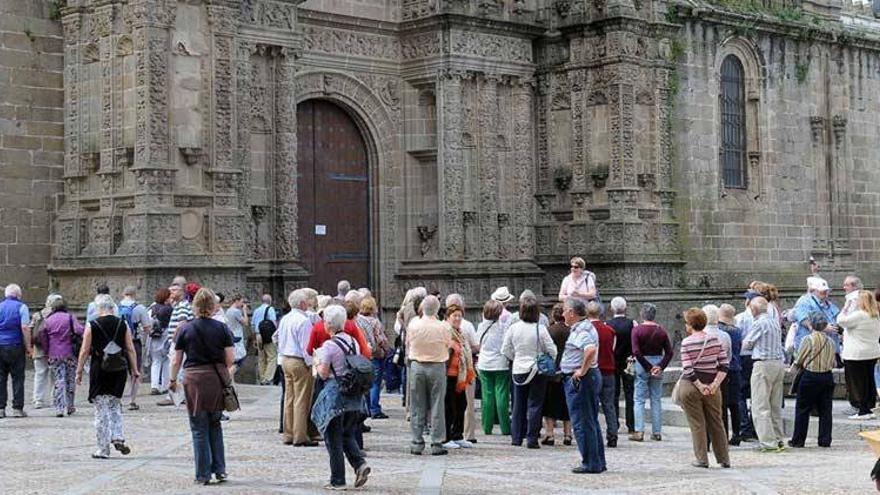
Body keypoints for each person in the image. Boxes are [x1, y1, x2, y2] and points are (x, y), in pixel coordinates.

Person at [169, 287, 233, 485]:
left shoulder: (185, 329)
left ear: (194, 306)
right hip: (215, 379)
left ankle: (203, 474)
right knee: (215, 423)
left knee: (198, 427)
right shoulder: (222, 328)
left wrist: (172, 380)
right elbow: (230, 359)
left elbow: (175, 360)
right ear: (213, 306)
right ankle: (220, 470)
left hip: (194, 379)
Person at [311, 305, 371, 490]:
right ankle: (360, 464)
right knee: (346, 434)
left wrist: (317, 361)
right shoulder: (352, 341)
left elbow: (322, 374)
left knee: (333, 438)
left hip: (336, 395)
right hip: (354, 395)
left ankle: (338, 480)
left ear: (328, 324)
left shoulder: (329, 346)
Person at [75, 294, 139, 458]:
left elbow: (84, 350)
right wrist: (135, 369)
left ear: (98, 308)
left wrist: (79, 370)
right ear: (112, 308)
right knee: (115, 404)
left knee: (101, 408)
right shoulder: (123, 323)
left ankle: (103, 448)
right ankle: (117, 436)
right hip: (119, 368)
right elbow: (130, 348)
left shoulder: (92, 325)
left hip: (100, 368)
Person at [678, 307, 730, 469]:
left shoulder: (686, 342)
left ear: (690, 325)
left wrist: (700, 386)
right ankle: (724, 458)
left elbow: (688, 369)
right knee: (717, 421)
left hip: (691, 386)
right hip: (713, 385)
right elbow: (724, 365)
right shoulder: (715, 340)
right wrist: (714, 384)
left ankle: (702, 459)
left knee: (697, 423)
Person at [502, 296, 556, 449]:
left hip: (519, 369)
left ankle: (517, 437)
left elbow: (505, 349)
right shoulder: (541, 329)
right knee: (535, 404)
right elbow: (552, 350)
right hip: (537, 370)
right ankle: (532, 438)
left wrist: (516, 358)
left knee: (518, 405)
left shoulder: (514, 328)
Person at [560, 297, 606, 474]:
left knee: (581, 422)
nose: (563, 313)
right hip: (589, 377)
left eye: (565, 310)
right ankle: (597, 460)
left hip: (581, 380)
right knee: (590, 421)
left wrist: (582, 370)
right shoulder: (585, 326)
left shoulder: (581, 330)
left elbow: (590, 349)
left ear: (572, 313)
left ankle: (590, 462)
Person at [407, 295, 451, 455]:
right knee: (437, 404)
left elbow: (409, 342)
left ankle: (417, 441)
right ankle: (437, 442)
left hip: (417, 365)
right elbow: (448, 343)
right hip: (437, 365)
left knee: (417, 404)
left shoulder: (413, 324)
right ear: (437, 309)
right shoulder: (443, 327)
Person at [743, 296, 786, 452]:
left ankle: (768, 442)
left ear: (754, 309)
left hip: (763, 364)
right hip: (778, 364)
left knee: (760, 405)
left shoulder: (759, 323)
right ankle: (779, 439)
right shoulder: (774, 322)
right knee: (775, 406)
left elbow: (747, 343)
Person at [788, 312, 836, 448]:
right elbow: (833, 362)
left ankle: (798, 440)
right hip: (827, 376)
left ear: (811, 324)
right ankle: (825, 440)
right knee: (826, 410)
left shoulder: (808, 340)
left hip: (810, 376)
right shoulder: (830, 341)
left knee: (803, 408)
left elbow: (799, 359)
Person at [278, 289, 318, 446]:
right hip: (299, 361)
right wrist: (311, 364)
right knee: (302, 399)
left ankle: (288, 433)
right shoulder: (303, 320)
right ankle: (300, 435)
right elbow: (306, 347)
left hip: (286, 359)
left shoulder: (285, 319)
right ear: (302, 303)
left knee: (290, 397)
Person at [630, 303, 673, 441]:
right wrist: (660, 366)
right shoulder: (661, 331)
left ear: (642, 314)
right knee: (656, 399)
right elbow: (669, 352)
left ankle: (639, 431)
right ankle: (656, 432)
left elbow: (636, 351)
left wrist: (648, 367)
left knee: (639, 399)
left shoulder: (637, 331)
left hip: (642, 364)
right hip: (658, 362)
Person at [837, 289, 880, 419]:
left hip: (856, 354)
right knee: (868, 381)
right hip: (871, 353)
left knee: (857, 383)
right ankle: (869, 406)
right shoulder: (875, 315)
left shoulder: (860, 315)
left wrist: (845, 307)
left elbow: (841, 321)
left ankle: (862, 409)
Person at [39, 295, 84, 417]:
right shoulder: (70, 317)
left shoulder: (48, 320)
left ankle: (59, 407)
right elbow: (80, 331)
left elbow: (42, 334)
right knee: (70, 380)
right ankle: (70, 406)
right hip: (69, 353)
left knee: (59, 380)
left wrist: (46, 349)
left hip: (54, 354)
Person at [445, 293, 479, 443]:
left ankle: (457, 435)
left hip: (460, 374)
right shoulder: (446, 332)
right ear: (448, 317)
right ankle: (447, 437)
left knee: (461, 405)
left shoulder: (461, 333)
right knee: (449, 407)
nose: (457, 318)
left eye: (459, 316)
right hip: (449, 374)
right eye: (454, 316)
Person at [476, 299, 510, 436]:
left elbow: (477, 343)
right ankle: (505, 426)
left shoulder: (481, 327)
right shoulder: (503, 328)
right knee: (502, 396)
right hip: (500, 363)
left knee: (487, 396)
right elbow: (506, 346)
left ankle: (487, 426)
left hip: (485, 363)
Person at [0, 283, 33, 418]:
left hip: (0, 345)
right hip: (16, 345)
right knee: (18, 377)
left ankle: (1, 408)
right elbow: (25, 327)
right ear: (18, 295)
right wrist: (29, 347)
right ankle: (17, 408)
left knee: (0, 378)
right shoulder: (22, 307)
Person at [357, 296, 393, 419]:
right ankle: (374, 409)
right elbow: (380, 339)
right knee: (375, 383)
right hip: (375, 355)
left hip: (362, 354)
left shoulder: (358, 320)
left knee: (365, 383)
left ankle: (366, 407)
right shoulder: (375, 322)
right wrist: (387, 347)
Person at [588, 302, 618, 447]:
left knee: (591, 404)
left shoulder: (586, 330)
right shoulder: (610, 330)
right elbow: (612, 348)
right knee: (609, 405)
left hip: (592, 370)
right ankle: (613, 434)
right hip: (608, 370)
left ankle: (593, 434)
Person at [119, 286, 152, 411]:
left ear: (123, 294)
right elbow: (147, 328)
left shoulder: (116, 307)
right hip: (134, 342)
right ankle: (132, 401)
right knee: (135, 372)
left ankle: (119, 399)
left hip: (120, 343)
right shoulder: (140, 308)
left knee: (120, 370)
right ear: (134, 294)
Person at [542, 303, 571, 446]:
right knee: (567, 404)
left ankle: (550, 434)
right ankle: (568, 434)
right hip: (567, 370)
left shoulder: (549, 330)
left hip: (552, 372)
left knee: (549, 405)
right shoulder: (571, 330)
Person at [606, 296, 635, 435]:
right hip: (629, 362)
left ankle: (615, 423)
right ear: (625, 308)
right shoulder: (632, 323)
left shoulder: (608, 324)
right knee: (630, 393)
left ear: (612, 309)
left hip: (613, 362)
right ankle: (631, 424)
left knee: (614, 394)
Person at [735, 290, 759, 441]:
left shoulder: (740, 318)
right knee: (755, 394)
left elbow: (738, 339)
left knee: (741, 394)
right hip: (757, 357)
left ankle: (745, 428)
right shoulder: (762, 319)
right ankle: (755, 426)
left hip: (743, 357)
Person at [718, 304, 743, 444]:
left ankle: (724, 433)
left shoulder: (720, 331)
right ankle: (737, 434)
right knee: (735, 404)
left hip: (724, 369)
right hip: (736, 367)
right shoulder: (737, 331)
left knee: (722, 404)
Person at [30, 294, 59, 409]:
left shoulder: (37, 315)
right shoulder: (58, 316)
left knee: (40, 375)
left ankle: (38, 400)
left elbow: (31, 329)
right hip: (54, 350)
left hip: (39, 350)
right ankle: (55, 399)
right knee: (54, 375)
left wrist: (30, 347)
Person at [840, 275, 864, 415]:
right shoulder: (862, 298)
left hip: (854, 346)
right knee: (865, 378)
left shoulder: (853, 298)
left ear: (854, 286)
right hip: (864, 346)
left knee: (854, 378)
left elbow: (843, 320)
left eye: (847, 285)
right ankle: (865, 404)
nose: (844, 287)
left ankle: (857, 404)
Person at [148, 288, 173, 396]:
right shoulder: (169, 309)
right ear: (166, 298)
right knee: (166, 361)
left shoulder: (151, 308)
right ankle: (165, 385)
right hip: (166, 335)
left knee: (156, 362)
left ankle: (154, 386)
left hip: (154, 337)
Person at [252, 294, 278, 385]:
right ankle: (268, 378)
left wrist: (254, 337)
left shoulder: (256, 310)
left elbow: (253, 325)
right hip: (268, 335)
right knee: (272, 357)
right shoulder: (270, 309)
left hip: (258, 335)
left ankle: (262, 378)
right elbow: (274, 322)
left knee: (261, 358)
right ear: (269, 301)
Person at [225, 296, 249, 378]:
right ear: (236, 301)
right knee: (240, 358)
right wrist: (245, 311)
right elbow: (245, 323)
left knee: (233, 359)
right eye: (241, 302)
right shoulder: (236, 311)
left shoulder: (228, 311)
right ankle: (228, 376)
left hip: (231, 335)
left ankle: (231, 378)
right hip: (237, 336)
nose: (242, 304)